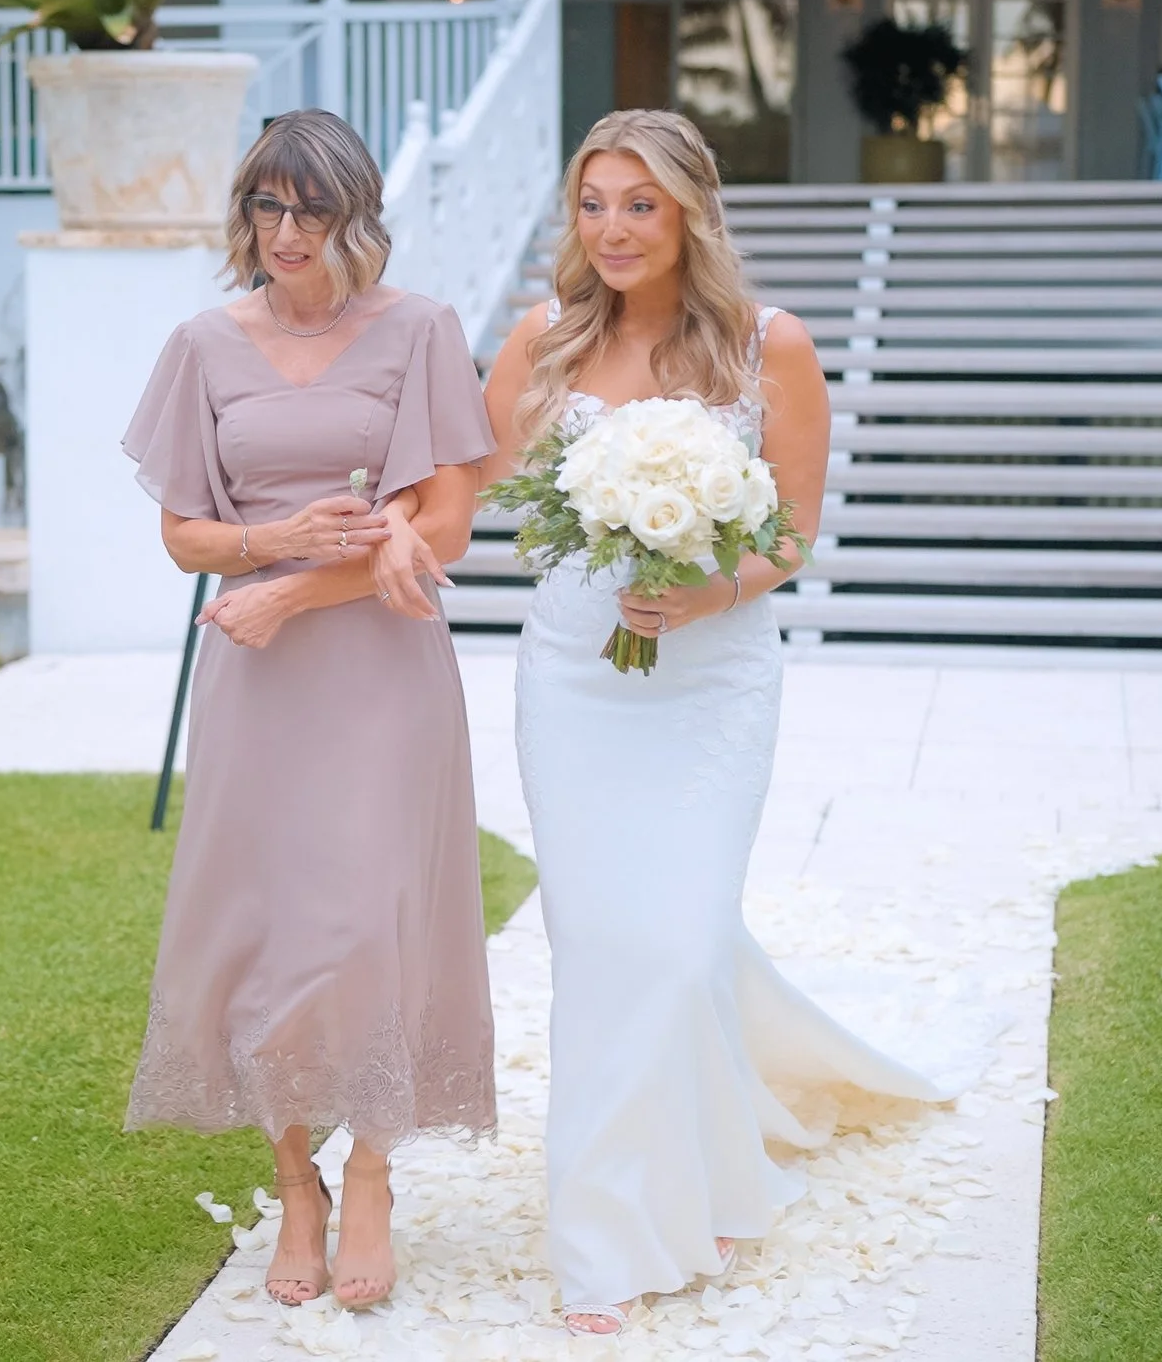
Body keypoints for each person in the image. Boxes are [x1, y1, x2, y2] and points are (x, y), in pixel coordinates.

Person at [475, 109, 947, 1336]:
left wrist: (708, 586)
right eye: (594, 202)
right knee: (598, 946)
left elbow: (791, 529)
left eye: (641, 202)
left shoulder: (764, 346)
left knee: (680, 945)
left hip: (715, 678)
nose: (615, 227)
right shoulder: (544, 335)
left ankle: (714, 1169)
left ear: (691, 209)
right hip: (575, 673)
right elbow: (457, 473)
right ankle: (601, 1237)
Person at [118, 108, 497, 1312]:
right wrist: (264, 547)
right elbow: (183, 533)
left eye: (310, 210)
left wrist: (293, 586)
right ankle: (297, 1182)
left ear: (356, 216)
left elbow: (443, 525)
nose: (284, 233)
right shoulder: (200, 342)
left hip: (382, 668)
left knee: (371, 918)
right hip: (255, 674)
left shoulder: (421, 330)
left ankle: (373, 1168)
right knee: (269, 927)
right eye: (265, 209)